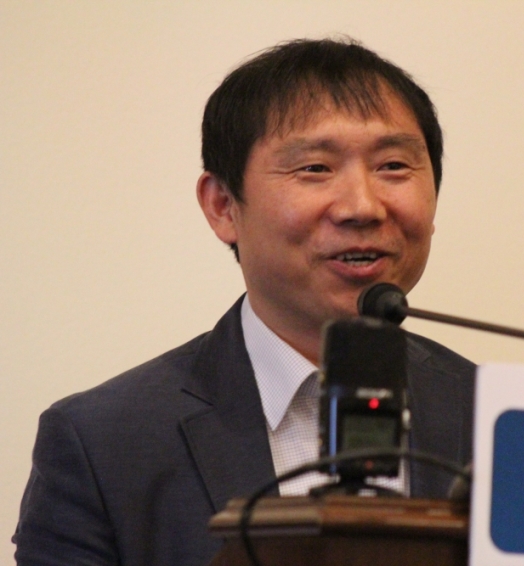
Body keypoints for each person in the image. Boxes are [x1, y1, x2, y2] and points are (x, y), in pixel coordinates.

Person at [13, 38, 475, 566]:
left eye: (393, 166)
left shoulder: (504, 421)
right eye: (315, 169)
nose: (362, 206)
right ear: (223, 206)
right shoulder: (102, 444)